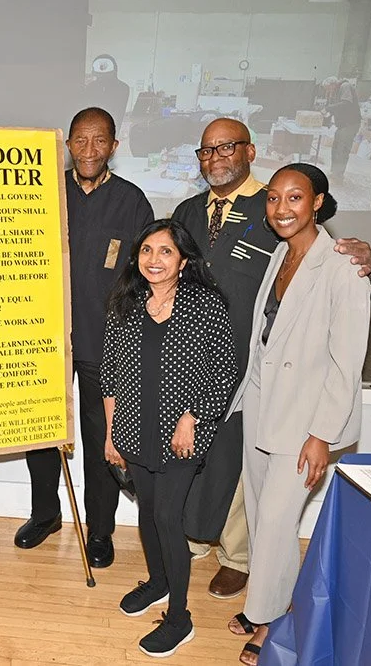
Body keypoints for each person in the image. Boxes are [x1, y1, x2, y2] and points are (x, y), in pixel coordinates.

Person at [171, 118, 371, 600]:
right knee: (212, 461)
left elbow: (338, 270)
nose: (215, 158)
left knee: (252, 483)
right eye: (205, 151)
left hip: (271, 380)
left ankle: (240, 559)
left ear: (249, 151)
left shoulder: (276, 211)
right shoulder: (190, 211)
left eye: (226, 148)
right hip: (211, 366)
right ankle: (198, 538)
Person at [227, 164, 370, 664]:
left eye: (294, 198)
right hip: (265, 404)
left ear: (317, 202)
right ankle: (269, 598)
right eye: (272, 198)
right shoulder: (282, 254)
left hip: (306, 417)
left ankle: (272, 620)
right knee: (264, 511)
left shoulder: (344, 264)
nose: (281, 208)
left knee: (279, 519)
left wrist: (321, 435)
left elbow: (346, 361)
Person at [14, 107, 154, 568]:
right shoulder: (42, 195)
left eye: (99, 141)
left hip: (105, 339)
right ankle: (45, 514)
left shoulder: (133, 202)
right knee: (39, 430)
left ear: (114, 146)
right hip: (45, 337)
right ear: (67, 145)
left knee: (102, 436)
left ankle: (101, 529)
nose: (89, 150)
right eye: (80, 140)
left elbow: (146, 273)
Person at [102, 219, 238, 658]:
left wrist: (192, 419)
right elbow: (110, 376)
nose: (153, 260)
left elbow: (223, 372)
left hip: (182, 434)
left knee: (166, 518)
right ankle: (158, 582)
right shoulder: (126, 301)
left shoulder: (204, 304)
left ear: (183, 258)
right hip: (132, 430)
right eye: (146, 251)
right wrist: (110, 435)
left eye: (165, 251)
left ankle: (180, 618)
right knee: (146, 514)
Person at [327, 76, 362, 183]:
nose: (328, 91)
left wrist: (330, 108)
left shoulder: (344, 86)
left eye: (328, 88)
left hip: (350, 124)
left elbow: (346, 103)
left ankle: (338, 176)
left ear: (333, 84)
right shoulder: (336, 91)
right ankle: (334, 172)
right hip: (342, 125)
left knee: (342, 149)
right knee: (336, 147)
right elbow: (337, 107)